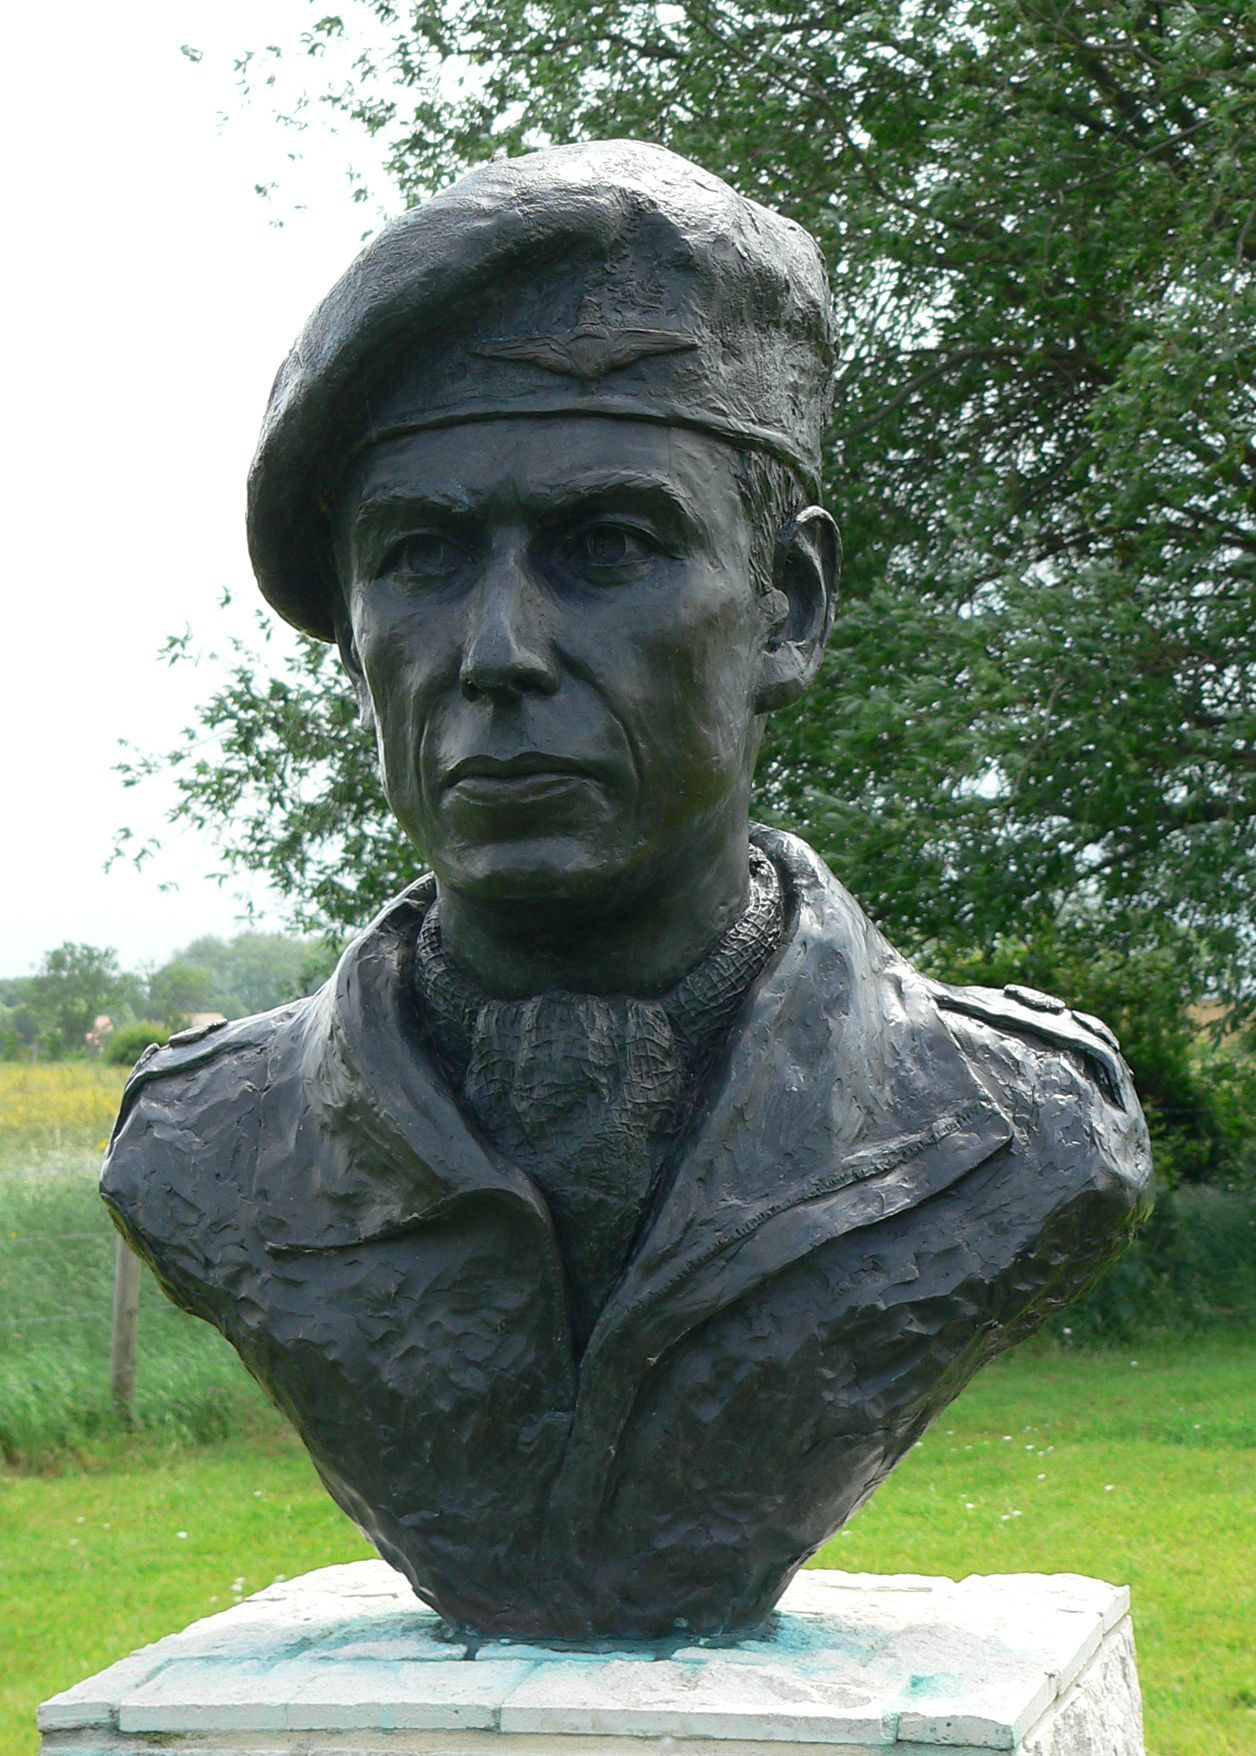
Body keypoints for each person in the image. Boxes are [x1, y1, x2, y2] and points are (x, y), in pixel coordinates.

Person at [102, 140, 1151, 1640]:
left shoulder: (1018, 1132)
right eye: (420, 559)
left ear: (784, 609)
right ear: (352, 626)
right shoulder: (205, 1147)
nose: (497, 649)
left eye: (607, 548)